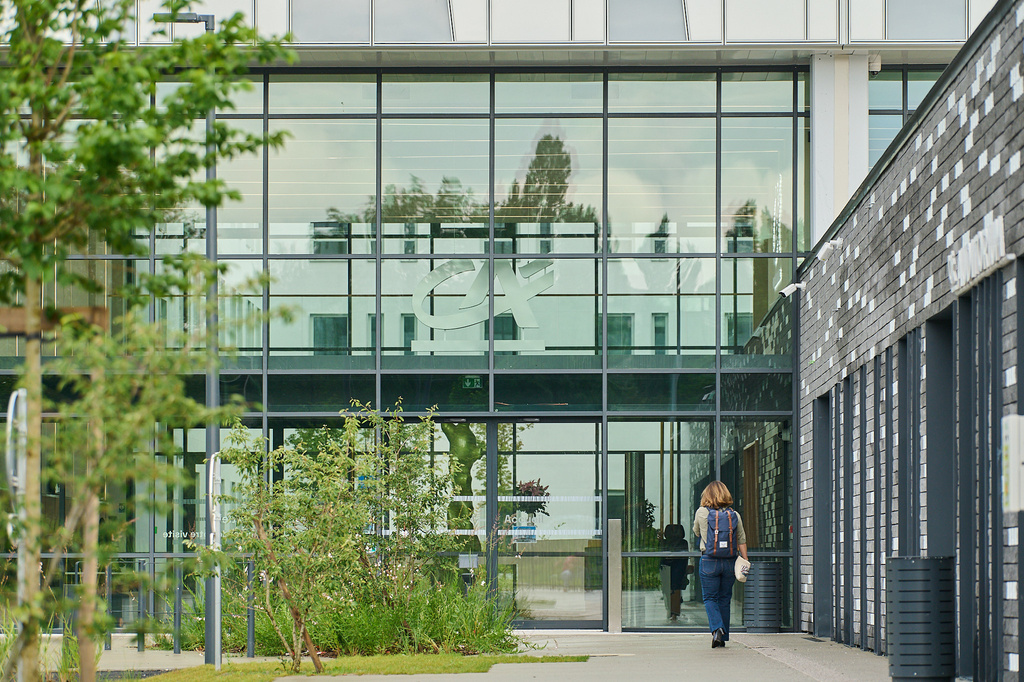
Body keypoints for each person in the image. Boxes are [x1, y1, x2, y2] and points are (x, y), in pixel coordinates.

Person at [692, 481, 748, 649]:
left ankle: (717, 629)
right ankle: (722, 638)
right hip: (729, 562)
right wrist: (745, 561)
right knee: (724, 598)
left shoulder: (701, 512)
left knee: (710, 598)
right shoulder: (734, 515)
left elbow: (696, 532)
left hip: (709, 561)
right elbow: (741, 539)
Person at [659, 524, 689, 622]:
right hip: (678, 572)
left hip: (666, 570)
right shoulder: (684, 543)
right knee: (675, 589)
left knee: (669, 590)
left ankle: (672, 612)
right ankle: (674, 613)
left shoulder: (663, 543)